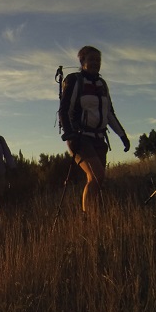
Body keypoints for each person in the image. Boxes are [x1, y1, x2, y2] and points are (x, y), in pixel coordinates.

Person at [57, 46, 130, 214]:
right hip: (80, 137)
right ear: (82, 62)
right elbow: (64, 110)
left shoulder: (101, 84)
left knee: (97, 179)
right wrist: (70, 134)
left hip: (98, 138)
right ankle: (88, 218)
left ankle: (94, 216)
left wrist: (122, 135)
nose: (95, 63)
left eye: (98, 60)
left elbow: (109, 113)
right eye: (91, 60)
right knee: (97, 176)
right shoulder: (75, 81)